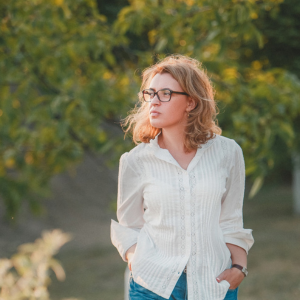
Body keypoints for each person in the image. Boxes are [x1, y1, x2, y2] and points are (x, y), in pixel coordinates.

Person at [110, 55, 254, 300]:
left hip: (214, 283)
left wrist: (239, 269)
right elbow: (129, 226)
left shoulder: (228, 153)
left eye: (165, 93)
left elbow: (231, 220)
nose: (153, 102)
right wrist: (137, 261)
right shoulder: (135, 160)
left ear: (191, 102)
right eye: (149, 93)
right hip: (154, 286)